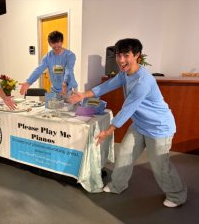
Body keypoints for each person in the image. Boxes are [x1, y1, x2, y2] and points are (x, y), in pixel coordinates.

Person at [68, 38, 187, 207]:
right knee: (124, 154)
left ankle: (176, 195)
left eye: (126, 55)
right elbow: (106, 86)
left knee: (160, 165)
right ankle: (118, 185)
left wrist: (108, 131)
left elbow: (127, 109)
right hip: (140, 124)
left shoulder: (143, 81)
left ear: (137, 55)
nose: (121, 60)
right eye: (118, 55)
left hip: (159, 127)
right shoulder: (125, 74)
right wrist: (83, 95)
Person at [20, 31, 78, 95]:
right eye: (53, 43)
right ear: (49, 43)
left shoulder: (70, 55)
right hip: (54, 90)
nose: (56, 45)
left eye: (58, 42)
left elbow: (69, 70)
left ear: (62, 42)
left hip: (69, 89)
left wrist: (64, 84)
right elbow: (39, 70)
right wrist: (28, 82)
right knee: (51, 104)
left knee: (68, 105)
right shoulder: (48, 57)